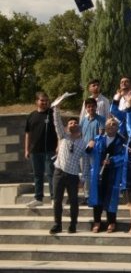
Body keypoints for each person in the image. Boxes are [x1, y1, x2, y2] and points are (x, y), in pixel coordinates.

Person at [49, 99, 87, 234]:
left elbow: (85, 163)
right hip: (59, 172)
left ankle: (73, 224)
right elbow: (57, 122)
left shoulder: (83, 143)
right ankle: (57, 224)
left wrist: (83, 179)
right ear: (67, 127)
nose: (73, 124)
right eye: (70, 122)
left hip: (73, 175)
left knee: (74, 201)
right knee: (57, 200)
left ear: (79, 126)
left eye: (75, 122)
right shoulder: (63, 136)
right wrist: (56, 108)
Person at [86, 117, 126, 233]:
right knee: (97, 197)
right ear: (105, 126)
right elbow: (89, 152)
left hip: (113, 173)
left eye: (114, 124)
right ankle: (97, 222)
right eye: (109, 124)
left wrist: (112, 161)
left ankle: (112, 222)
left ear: (117, 128)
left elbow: (124, 157)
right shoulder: (98, 139)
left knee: (111, 198)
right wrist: (89, 147)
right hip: (98, 173)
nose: (111, 126)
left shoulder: (121, 141)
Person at [24, 92, 57, 208]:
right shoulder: (31, 116)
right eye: (42, 100)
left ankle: (54, 198)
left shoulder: (52, 114)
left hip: (50, 150)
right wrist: (26, 150)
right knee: (37, 175)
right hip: (35, 151)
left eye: (46, 100)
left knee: (51, 174)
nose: (44, 102)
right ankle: (38, 198)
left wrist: (58, 146)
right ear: (36, 101)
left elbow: (59, 130)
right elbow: (28, 134)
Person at [79, 98, 106, 204]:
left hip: (95, 151)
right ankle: (87, 195)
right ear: (86, 108)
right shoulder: (83, 121)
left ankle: (96, 195)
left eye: (92, 106)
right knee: (85, 173)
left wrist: (94, 142)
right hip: (84, 150)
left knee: (95, 172)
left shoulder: (101, 119)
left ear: (96, 107)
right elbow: (80, 135)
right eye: (88, 106)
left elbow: (101, 134)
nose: (91, 108)